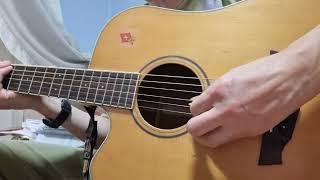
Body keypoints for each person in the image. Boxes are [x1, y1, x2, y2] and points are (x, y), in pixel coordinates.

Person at [1, 0, 319, 179]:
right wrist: (44, 104)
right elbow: (127, 145)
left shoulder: (248, 10)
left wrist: (295, 71)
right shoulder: (139, 32)